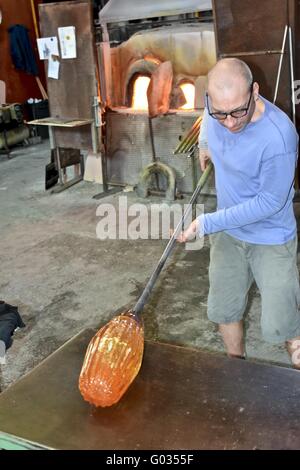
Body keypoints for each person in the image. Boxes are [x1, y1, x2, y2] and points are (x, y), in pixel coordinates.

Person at [178, 58, 300, 369]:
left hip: (270, 237)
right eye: (221, 113)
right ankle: (237, 371)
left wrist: (207, 222)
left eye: (238, 112)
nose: (230, 122)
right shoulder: (215, 108)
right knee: (225, 309)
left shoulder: (279, 135)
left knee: (284, 325)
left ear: (254, 92)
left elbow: (268, 203)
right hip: (229, 235)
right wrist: (205, 142)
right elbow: (208, 117)